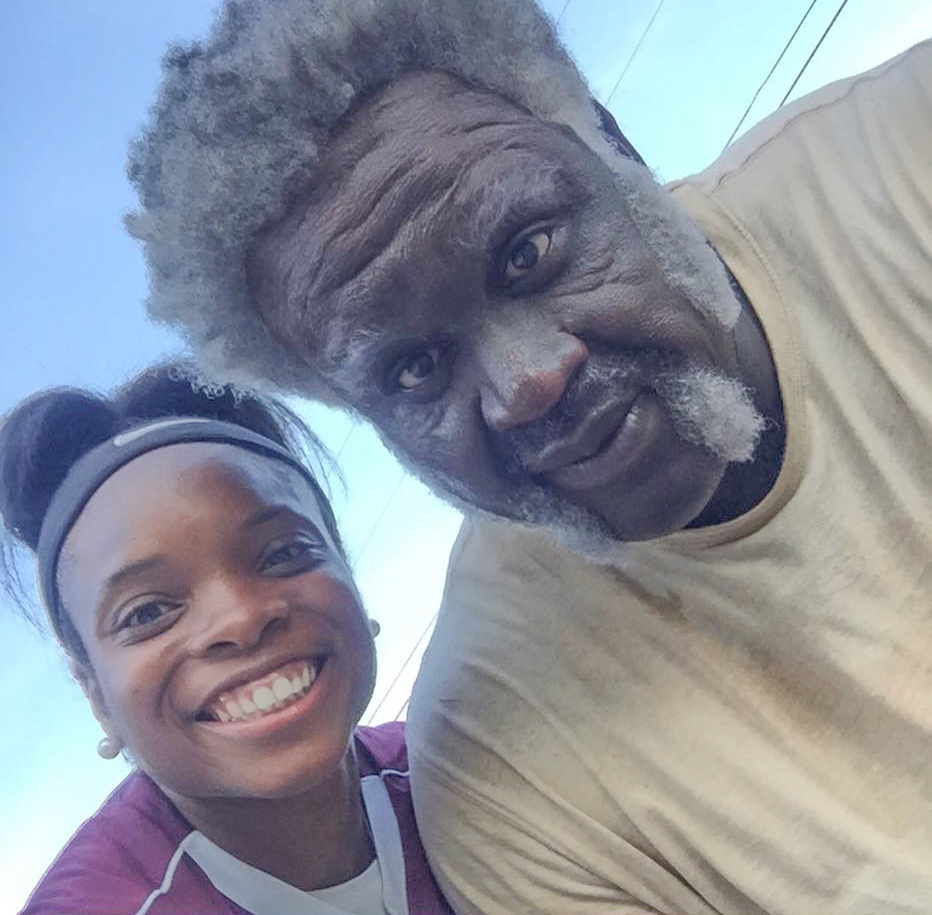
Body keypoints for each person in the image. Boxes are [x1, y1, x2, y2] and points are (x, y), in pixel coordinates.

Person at [126, 1, 932, 912]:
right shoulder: (505, 766)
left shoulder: (904, 164)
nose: (529, 382)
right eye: (416, 368)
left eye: (529, 252)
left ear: (611, 145)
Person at [1, 364, 452, 915]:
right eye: (148, 612)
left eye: (284, 553)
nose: (240, 619)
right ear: (95, 695)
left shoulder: (470, 766)